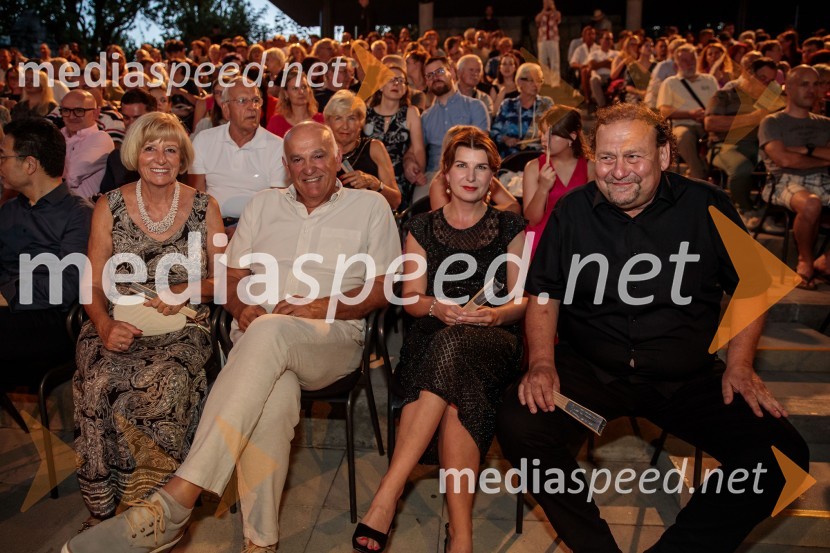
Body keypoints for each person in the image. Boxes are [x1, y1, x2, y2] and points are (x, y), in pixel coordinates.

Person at [63, 121, 401, 553]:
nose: (309, 167)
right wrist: (241, 307)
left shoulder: (369, 206)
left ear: (338, 159)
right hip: (260, 339)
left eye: (319, 156)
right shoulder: (265, 204)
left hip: (329, 336)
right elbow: (233, 274)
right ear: (285, 165)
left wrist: (324, 305)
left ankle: (176, 501)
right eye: (297, 159)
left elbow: (383, 287)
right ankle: (261, 543)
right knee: (272, 398)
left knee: (269, 331)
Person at [496, 102, 809, 553]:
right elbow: (545, 293)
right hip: (591, 374)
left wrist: (739, 364)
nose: (618, 171)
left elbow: (754, 284)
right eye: (606, 158)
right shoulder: (572, 212)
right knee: (520, 422)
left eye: (632, 157)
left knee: (782, 457)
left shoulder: (707, 205)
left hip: (686, 379)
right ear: (593, 158)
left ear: (663, 155)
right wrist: (542, 363)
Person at [352, 126, 526, 553]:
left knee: (459, 346)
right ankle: (460, 536)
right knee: (455, 383)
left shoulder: (510, 226)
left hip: (494, 336)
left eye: (481, 168)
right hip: (432, 332)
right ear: (445, 174)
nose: (471, 176)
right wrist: (439, 307)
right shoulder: (422, 225)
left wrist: (494, 314)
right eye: (462, 166)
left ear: (493, 177)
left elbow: (522, 300)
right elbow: (411, 299)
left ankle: (387, 496)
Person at [72, 112, 224, 529]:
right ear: (134, 155)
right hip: (116, 321)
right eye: (150, 148)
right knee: (100, 380)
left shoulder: (204, 206)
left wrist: (187, 290)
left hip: (182, 326)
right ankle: (101, 508)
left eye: (170, 149)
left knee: (167, 380)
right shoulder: (110, 204)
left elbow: (229, 278)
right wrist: (103, 325)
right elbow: (92, 281)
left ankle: (158, 506)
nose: (160, 157)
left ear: (182, 158)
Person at [0, 118, 93, 391]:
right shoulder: (8, 211)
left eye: (3, 157)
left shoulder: (79, 215)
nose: (0, 165)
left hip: (52, 323)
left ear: (29, 165)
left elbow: (64, 287)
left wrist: (5, 294)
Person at [759, 65, 830, 288]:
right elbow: (784, 160)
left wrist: (805, 149)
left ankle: (826, 260)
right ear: (788, 88)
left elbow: (793, 155)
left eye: (815, 84)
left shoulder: (825, 123)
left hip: (823, 180)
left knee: (814, 200)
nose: (811, 90)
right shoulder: (773, 121)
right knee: (811, 204)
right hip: (783, 181)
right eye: (804, 84)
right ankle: (805, 262)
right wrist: (824, 157)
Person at [188, 76, 288, 227]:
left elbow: (278, 206)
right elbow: (196, 196)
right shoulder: (204, 140)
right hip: (212, 224)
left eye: (256, 100)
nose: (252, 107)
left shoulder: (277, 147)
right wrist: (214, 229)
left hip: (259, 227)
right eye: (242, 101)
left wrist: (243, 231)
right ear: (226, 109)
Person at [704, 57, 782, 229]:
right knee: (741, 169)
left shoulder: (771, 100)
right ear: (749, 75)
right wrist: (752, 118)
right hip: (725, 146)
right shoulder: (724, 95)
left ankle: (764, 213)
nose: (765, 84)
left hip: (760, 147)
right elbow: (710, 124)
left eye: (770, 81)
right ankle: (744, 209)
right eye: (762, 78)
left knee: (785, 167)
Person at [522, 105, 594, 256]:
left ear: (572, 137)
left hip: (577, 237)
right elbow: (532, 220)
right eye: (542, 132)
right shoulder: (533, 167)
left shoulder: (590, 167)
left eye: (552, 134)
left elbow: (591, 214)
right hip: (541, 239)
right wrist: (542, 188)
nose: (543, 139)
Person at [420, 56, 490, 204]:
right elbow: (415, 150)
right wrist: (409, 162)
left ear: (451, 71)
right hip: (434, 175)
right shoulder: (426, 117)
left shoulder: (475, 107)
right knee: (418, 207)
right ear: (426, 81)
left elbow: (482, 149)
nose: (435, 77)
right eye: (429, 75)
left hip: (468, 172)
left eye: (439, 71)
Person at [323, 90, 402, 210]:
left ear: (361, 122)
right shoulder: (320, 152)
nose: (345, 126)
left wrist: (374, 183)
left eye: (351, 118)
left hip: (369, 219)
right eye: (338, 118)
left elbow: (395, 201)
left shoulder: (374, 148)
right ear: (328, 122)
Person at [365, 64, 426, 210]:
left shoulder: (410, 112)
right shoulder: (366, 113)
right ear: (380, 86)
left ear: (405, 88)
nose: (396, 83)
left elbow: (418, 149)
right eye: (390, 79)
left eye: (401, 80)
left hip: (399, 177)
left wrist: (418, 172)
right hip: (369, 176)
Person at [658, 43, 719, 179]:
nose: (690, 63)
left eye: (692, 60)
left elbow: (718, 104)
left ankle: (706, 171)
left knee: (721, 135)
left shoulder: (709, 80)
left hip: (708, 123)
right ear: (677, 63)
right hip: (682, 123)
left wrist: (707, 115)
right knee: (683, 136)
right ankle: (699, 174)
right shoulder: (670, 83)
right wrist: (690, 114)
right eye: (685, 60)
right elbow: (664, 111)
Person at [99, 89, 158, 194]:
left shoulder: (168, 152)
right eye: (126, 118)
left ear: (152, 116)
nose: (131, 124)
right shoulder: (116, 157)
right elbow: (107, 196)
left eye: (137, 118)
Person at [490, 62, 554, 157]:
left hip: (538, 156)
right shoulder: (508, 104)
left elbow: (554, 132)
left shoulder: (546, 104)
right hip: (511, 158)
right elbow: (494, 131)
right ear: (519, 82)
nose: (536, 85)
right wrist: (505, 139)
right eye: (531, 80)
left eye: (539, 81)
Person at [60, 90, 115, 199]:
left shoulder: (100, 138)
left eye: (79, 111)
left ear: (96, 113)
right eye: (66, 110)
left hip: (82, 212)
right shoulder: (59, 134)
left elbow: (70, 177)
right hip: (51, 208)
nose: (71, 116)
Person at [265, 69, 324, 138]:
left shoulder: (321, 120)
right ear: (286, 93)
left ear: (309, 90)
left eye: (304, 87)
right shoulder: (276, 122)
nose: (301, 92)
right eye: (295, 88)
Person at [535, 0, 562, 84]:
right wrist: (544, 9)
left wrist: (552, 8)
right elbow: (537, 20)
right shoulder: (540, 15)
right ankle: (545, 82)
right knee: (542, 62)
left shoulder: (556, 13)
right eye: (545, 2)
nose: (547, 4)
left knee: (555, 62)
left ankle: (555, 83)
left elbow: (558, 17)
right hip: (542, 40)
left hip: (553, 40)